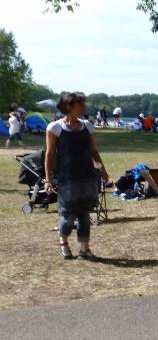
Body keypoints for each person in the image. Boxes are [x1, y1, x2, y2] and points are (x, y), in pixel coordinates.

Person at [44, 92, 109, 260]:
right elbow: (50, 154)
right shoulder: (55, 128)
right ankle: (63, 241)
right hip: (67, 178)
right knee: (68, 217)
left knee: (84, 215)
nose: (84, 108)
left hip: (87, 177)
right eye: (80, 105)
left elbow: (93, 150)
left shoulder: (87, 126)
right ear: (69, 107)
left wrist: (102, 169)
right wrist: (48, 178)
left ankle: (84, 249)